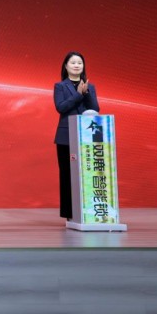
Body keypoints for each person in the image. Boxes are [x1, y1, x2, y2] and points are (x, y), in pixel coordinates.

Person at [53, 51, 100, 220]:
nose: (76, 65)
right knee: (67, 174)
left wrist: (86, 93)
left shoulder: (90, 86)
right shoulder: (60, 86)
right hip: (66, 136)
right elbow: (61, 107)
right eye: (73, 62)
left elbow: (95, 109)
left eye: (79, 63)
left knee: (87, 173)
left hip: (87, 135)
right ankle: (69, 213)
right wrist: (78, 94)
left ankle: (89, 210)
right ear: (66, 66)